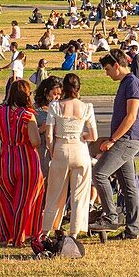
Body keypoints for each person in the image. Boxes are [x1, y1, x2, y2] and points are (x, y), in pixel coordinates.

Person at [89, 51, 139, 240]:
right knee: (128, 186)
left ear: (116, 65)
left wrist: (112, 140)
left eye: (107, 69)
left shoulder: (132, 83)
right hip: (126, 140)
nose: (106, 73)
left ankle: (111, 217)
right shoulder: (126, 83)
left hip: (126, 140)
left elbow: (131, 116)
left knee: (99, 173)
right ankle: (133, 229)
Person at [42, 73, 97, 236]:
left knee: (54, 193)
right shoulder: (87, 107)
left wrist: (53, 151)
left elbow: (49, 135)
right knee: (80, 195)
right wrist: (81, 136)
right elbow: (93, 135)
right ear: (78, 88)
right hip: (80, 150)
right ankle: (74, 232)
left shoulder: (55, 106)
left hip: (61, 148)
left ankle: (46, 230)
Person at [0, 79, 44, 246]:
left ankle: (7, 235)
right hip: (27, 160)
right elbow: (35, 141)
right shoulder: (28, 115)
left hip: (7, 158)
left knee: (7, 199)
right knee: (27, 199)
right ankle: (22, 235)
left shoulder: (0, 113)